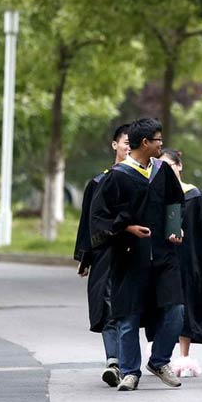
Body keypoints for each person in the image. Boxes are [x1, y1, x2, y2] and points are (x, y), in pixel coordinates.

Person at [89, 118, 185, 392]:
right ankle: (130, 372)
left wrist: (174, 227)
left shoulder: (162, 172)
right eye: (158, 140)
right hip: (129, 256)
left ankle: (159, 361)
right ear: (145, 143)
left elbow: (174, 201)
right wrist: (127, 228)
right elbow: (99, 219)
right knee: (128, 317)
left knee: (176, 311)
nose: (161, 144)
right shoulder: (116, 177)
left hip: (164, 255)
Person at [73, 123, 130, 387]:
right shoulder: (100, 181)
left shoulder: (145, 179)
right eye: (125, 142)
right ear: (114, 145)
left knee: (132, 309)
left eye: (134, 143)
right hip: (107, 253)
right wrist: (86, 256)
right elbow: (88, 221)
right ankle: (114, 361)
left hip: (136, 253)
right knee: (108, 307)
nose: (129, 147)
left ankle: (134, 362)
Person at [159, 149, 202, 378]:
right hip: (164, 258)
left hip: (189, 259)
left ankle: (184, 356)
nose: (166, 171)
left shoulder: (195, 196)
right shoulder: (157, 195)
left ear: (179, 166)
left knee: (186, 305)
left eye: (169, 166)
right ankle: (160, 352)